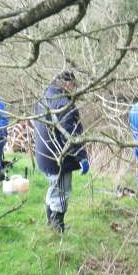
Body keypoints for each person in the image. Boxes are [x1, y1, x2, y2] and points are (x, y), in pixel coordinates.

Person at [33, 70, 90, 232]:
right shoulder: (64, 104)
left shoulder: (43, 98)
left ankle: (51, 225)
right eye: (73, 85)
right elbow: (71, 136)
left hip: (44, 154)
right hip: (57, 158)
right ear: (66, 83)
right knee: (61, 192)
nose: (73, 89)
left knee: (53, 188)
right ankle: (58, 228)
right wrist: (82, 157)